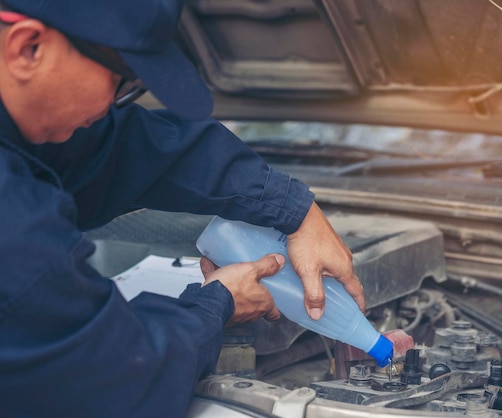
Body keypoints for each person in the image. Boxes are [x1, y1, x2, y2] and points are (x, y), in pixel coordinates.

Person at [0, 0, 365, 416]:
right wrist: (216, 303)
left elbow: (125, 147)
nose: (112, 106)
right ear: (28, 47)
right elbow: (112, 381)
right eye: (122, 82)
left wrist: (295, 210)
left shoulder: (21, 121)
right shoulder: (13, 220)